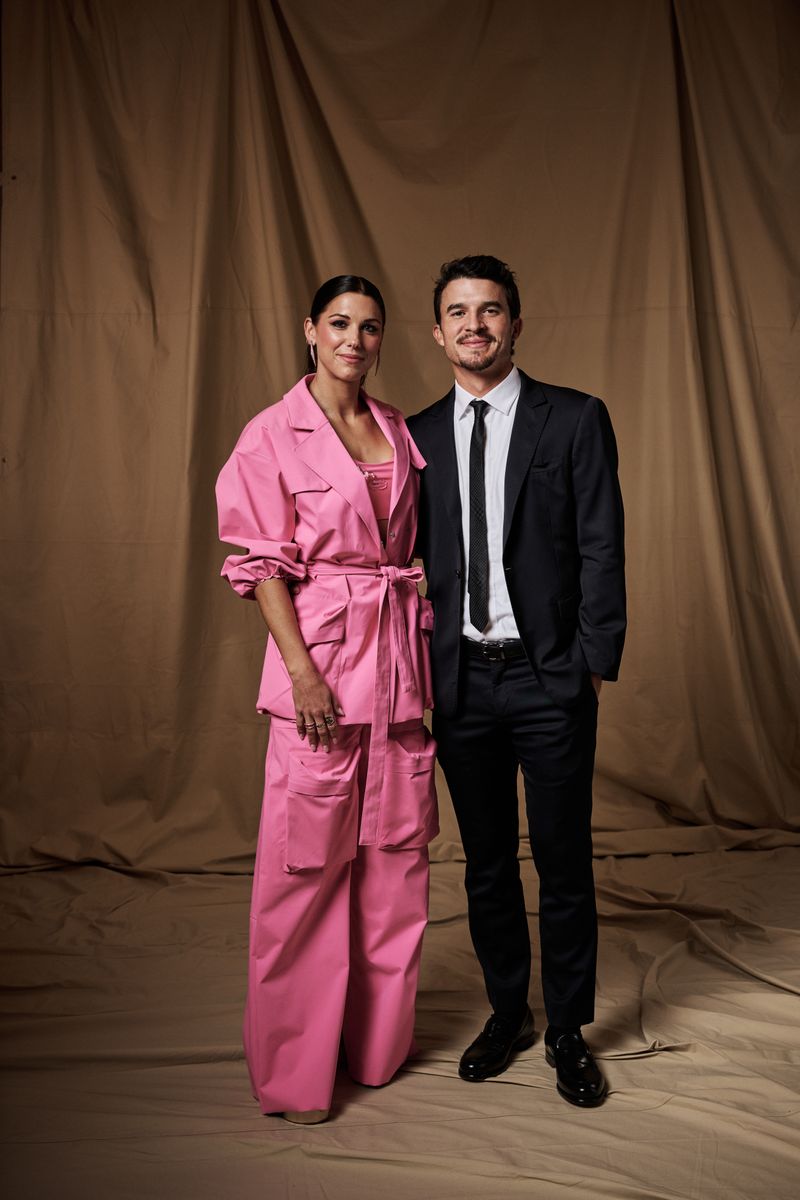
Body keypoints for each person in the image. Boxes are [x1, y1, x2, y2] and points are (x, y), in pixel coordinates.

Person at [216, 275, 437, 1124]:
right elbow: (260, 564)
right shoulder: (271, 435)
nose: (355, 338)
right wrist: (302, 671)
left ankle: (376, 1055)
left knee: (395, 867)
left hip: (399, 672)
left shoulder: (395, 430)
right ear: (311, 330)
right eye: (340, 323)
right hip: (322, 666)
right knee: (302, 874)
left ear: (383, 339)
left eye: (370, 326)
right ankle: (294, 1076)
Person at [408, 255, 625, 1107]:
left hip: (549, 679)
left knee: (564, 862)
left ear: (515, 323)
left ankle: (567, 1028)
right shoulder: (418, 435)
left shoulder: (572, 419)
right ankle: (509, 1014)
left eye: (490, 310)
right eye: (458, 312)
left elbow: (603, 542)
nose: (474, 325)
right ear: (438, 331)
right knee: (488, 864)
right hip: (460, 681)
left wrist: (590, 664)